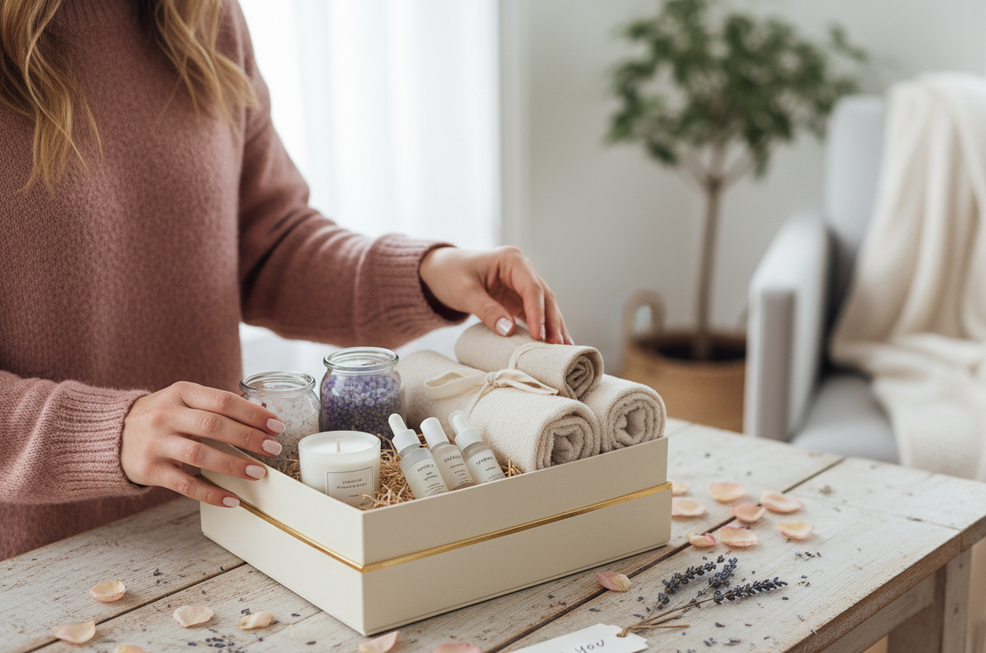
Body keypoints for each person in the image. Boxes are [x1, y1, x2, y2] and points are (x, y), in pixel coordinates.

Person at [0, 0, 569, 560]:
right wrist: (108, 432)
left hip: (223, 525)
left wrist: (422, 273)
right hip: (35, 569)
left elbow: (267, 246)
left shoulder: (203, 15)